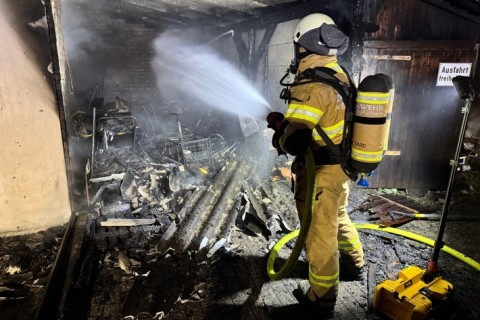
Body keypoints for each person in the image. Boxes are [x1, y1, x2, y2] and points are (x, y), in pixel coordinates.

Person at [267, 13, 365, 317]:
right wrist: (288, 125)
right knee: (337, 216)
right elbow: (322, 121)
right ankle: (354, 264)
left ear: (303, 46)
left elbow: (295, 143)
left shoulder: (309, 85)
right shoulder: (340, 74)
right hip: (342, 168)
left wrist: (279, 134)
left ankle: (321, 300)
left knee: (319, 232)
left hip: (321, 171)